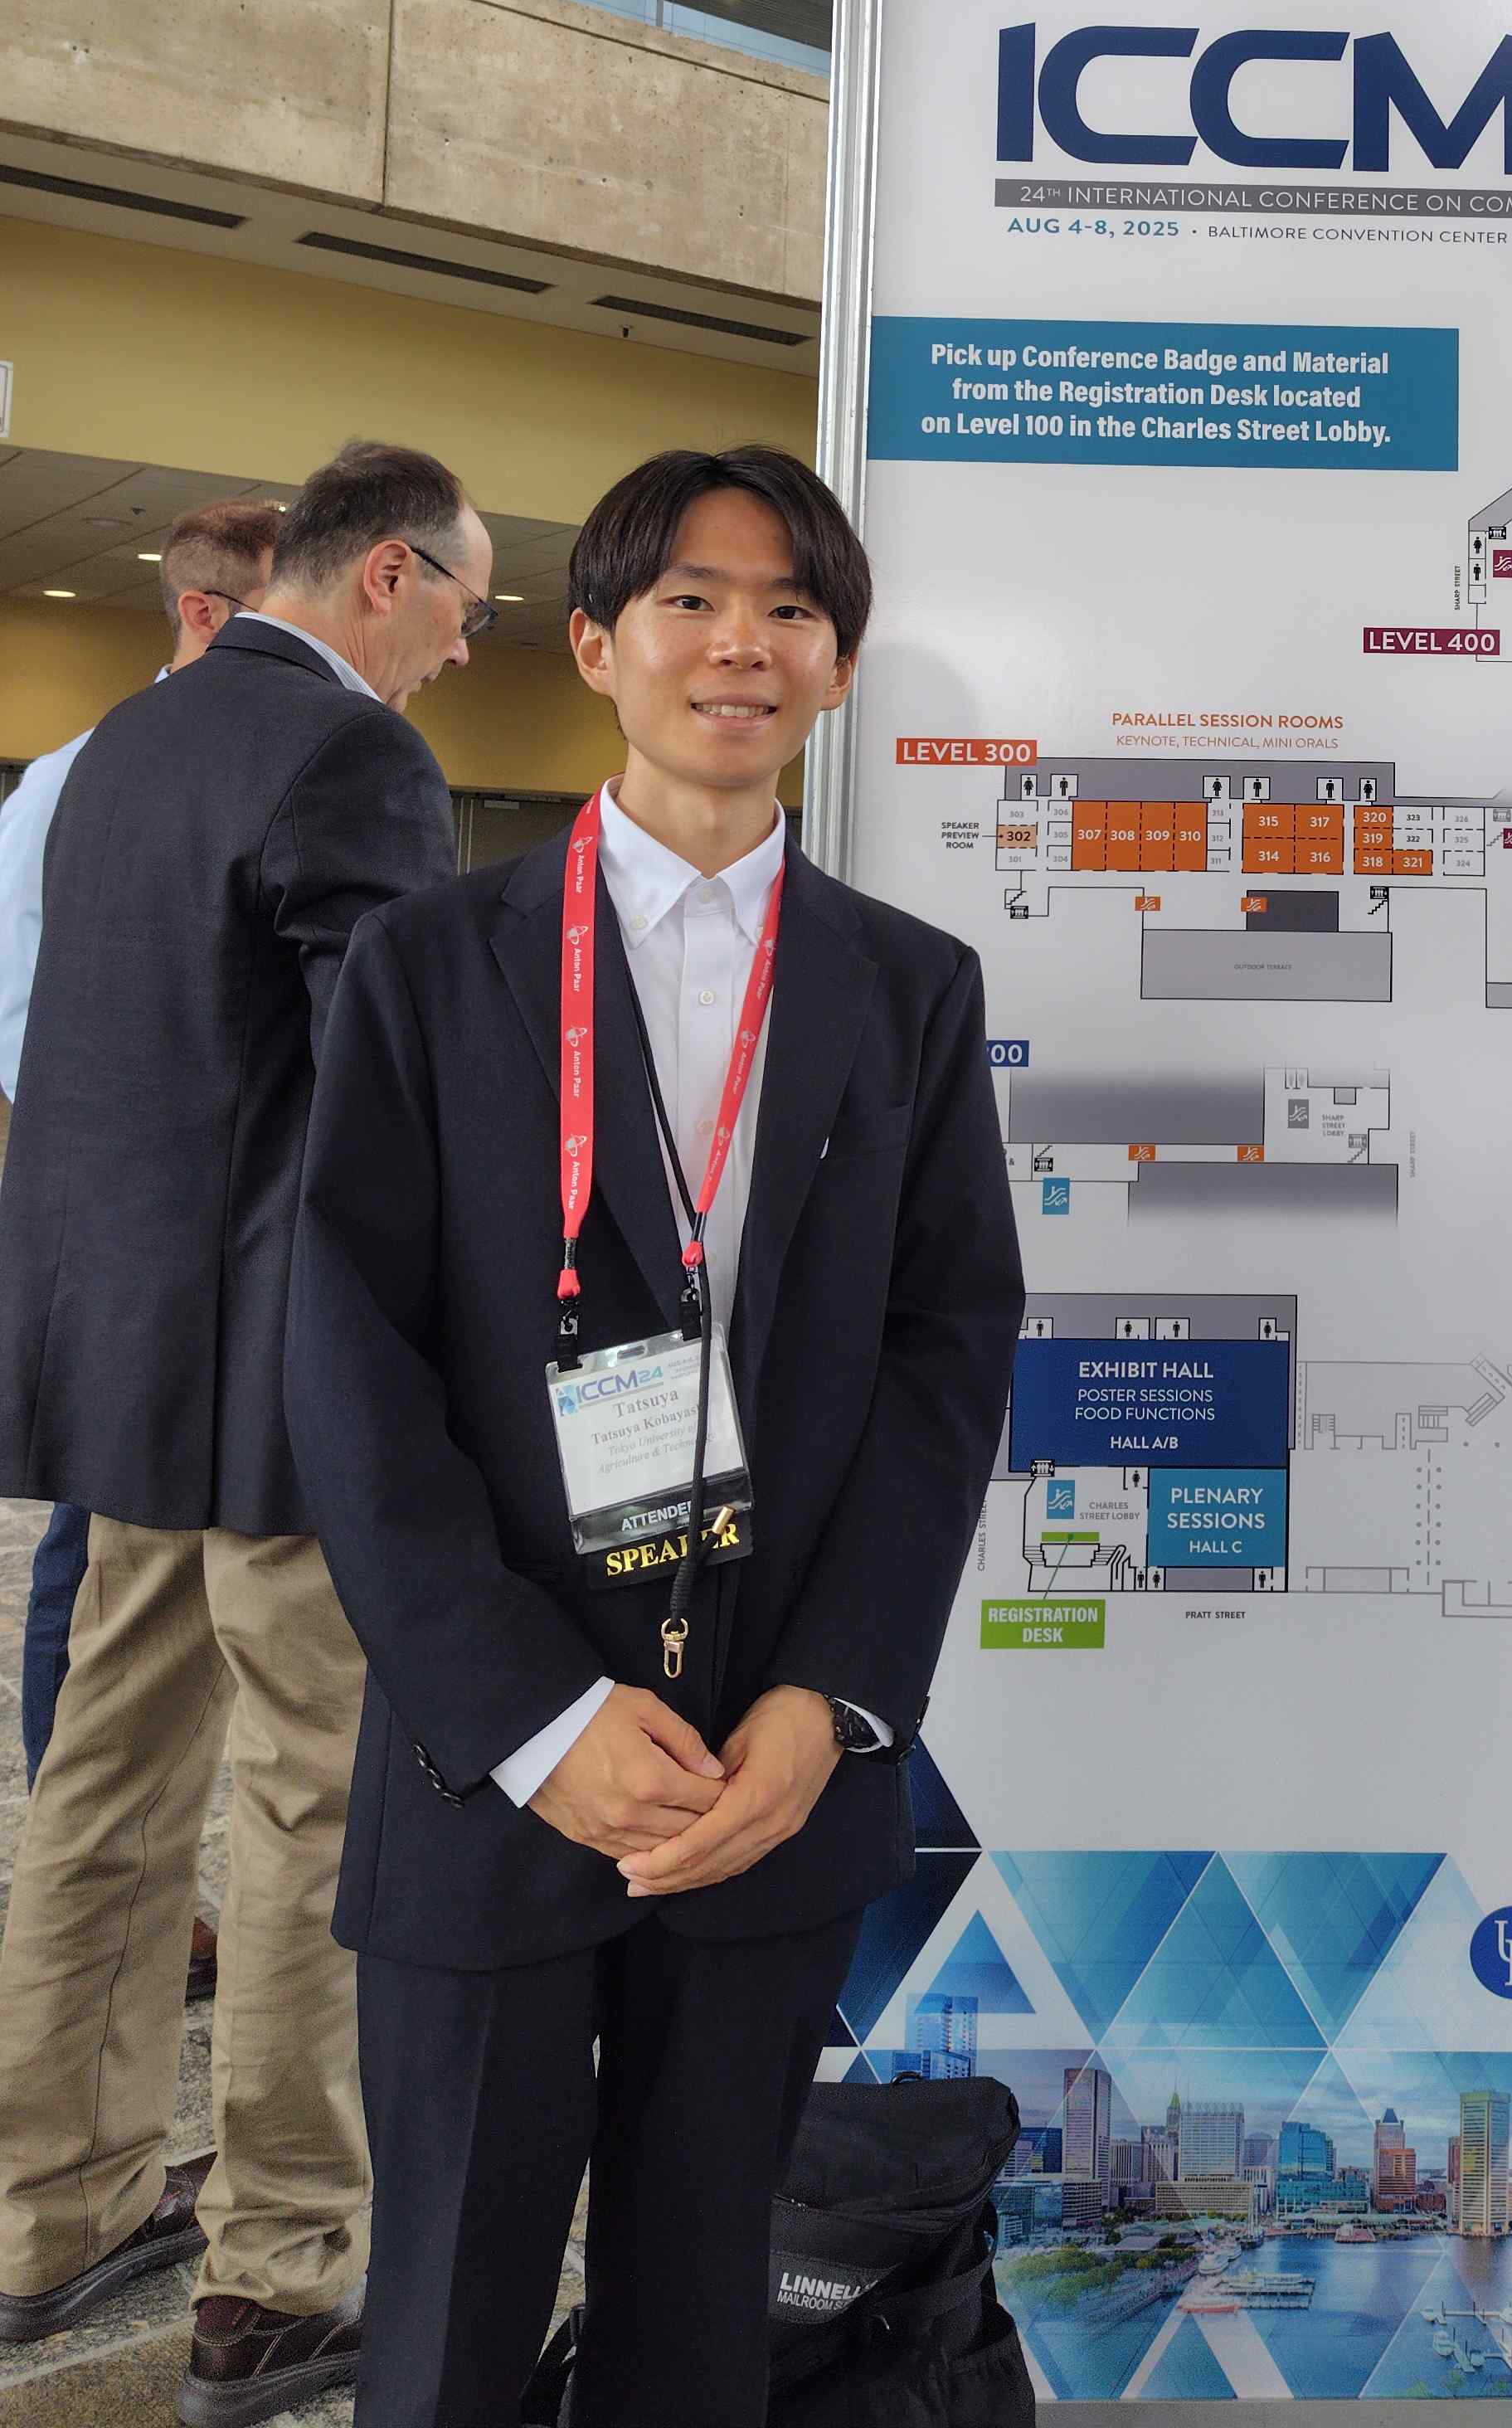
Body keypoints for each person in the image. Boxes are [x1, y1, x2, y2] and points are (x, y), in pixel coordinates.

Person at [285, 441, 1025, 2428]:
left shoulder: (910, 989)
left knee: (701, 2333)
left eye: (791, 608)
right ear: (598, 641)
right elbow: (349, 1362)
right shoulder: (430, 963)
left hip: (766, 1783)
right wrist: (533, 1716)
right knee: (445, 2331)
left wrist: (829, 1705)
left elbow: (946, 1360)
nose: (741, 643)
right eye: (691, 599)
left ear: (838, 665)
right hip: (490, 1770)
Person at [0, 440, 489, 2421]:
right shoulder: (354, 751)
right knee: (315, 1801)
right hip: (281, 1385)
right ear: (386, 573)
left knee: (102, 1789)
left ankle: (49, 2212)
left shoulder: (121, 743)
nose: (467, 644)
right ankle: (281, 2268)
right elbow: (401, 1088)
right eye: (465, 603)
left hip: (117, 1362)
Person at [2, 499, 283, 1837]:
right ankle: (78, 1814)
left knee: (187, 1546)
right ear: (205, 613)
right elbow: (28, 1011)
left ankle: (124, 1850)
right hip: (130, 1222)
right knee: (102, 1532)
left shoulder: (269, 756)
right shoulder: (81, 773)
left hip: (235, 1223)